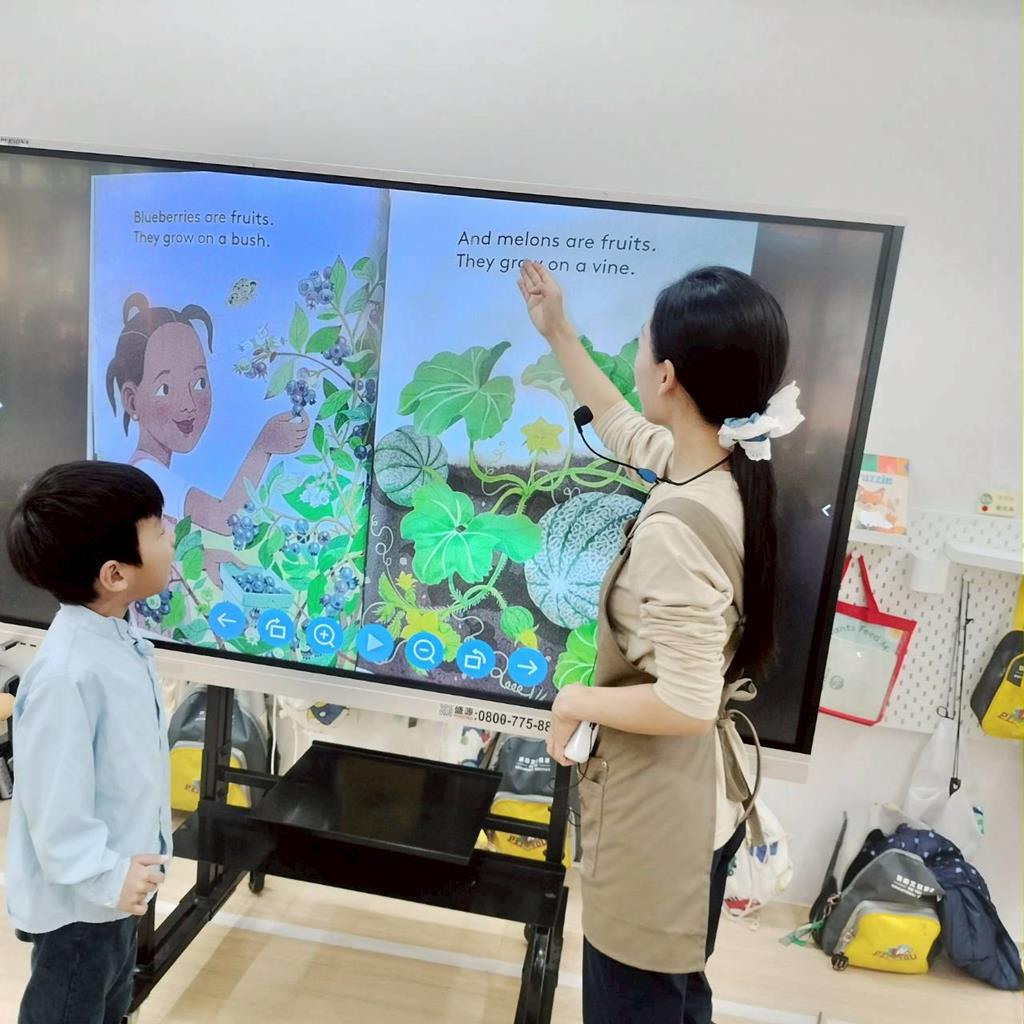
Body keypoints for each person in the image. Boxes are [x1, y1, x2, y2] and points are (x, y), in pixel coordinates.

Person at [518, 260, 803, 1024]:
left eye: (643, 344)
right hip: (695, 799)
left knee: (636, 1003)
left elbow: (686, 700)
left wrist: (574, 700)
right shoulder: (720, 466)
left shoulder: (678, 527)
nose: (639, 358)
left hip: (661, 815)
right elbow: (620, 425)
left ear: (669, 375)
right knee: (674, 997)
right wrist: (557, 330)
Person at [4, 461, 177, 1024]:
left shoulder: (114, 639)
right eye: (158, 529)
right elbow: (53, 811)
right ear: (115, 574)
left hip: (116, 890)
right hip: (82, 906)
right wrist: (106, 875)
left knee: (109, 1005)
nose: (172, 535)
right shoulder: (67, 675)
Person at [104, 292, 309, 531]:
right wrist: (263, 448)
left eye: (199, 383)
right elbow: (224, 519)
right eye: (165, 388)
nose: (189, 404)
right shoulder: (147, 475)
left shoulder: (147, 470)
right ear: (132, 402)